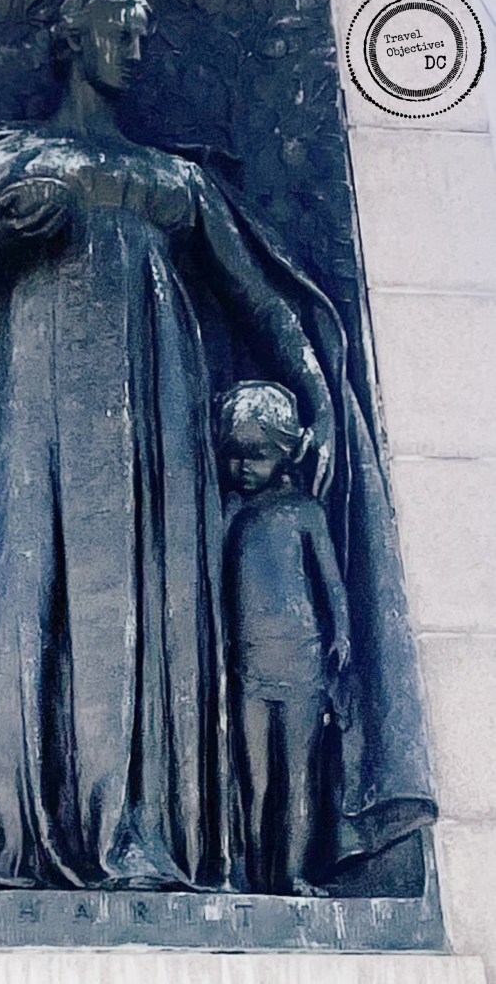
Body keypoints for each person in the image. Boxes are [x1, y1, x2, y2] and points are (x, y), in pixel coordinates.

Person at [0, 0, 436, 893]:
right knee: (15, 602)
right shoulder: (0, 163)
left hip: (151, 426)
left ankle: (135, 831)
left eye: (142, 35)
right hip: (18, 408)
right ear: (69, 42)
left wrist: (319, 388)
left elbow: (256, 295)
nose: (134, 50)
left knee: (138, 612)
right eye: (116, 33)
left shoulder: (177, 183)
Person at [219, 381, 351, 895]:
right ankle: (251, 874)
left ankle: (293, 875)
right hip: (250, 668)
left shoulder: (305, 512)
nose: (244, 468)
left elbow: (330, 582)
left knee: (298, 776)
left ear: (286, 453)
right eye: (235, 456)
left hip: (301, 664)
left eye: (258, 455)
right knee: (254, 780)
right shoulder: (232, 515)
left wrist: (341, 633)